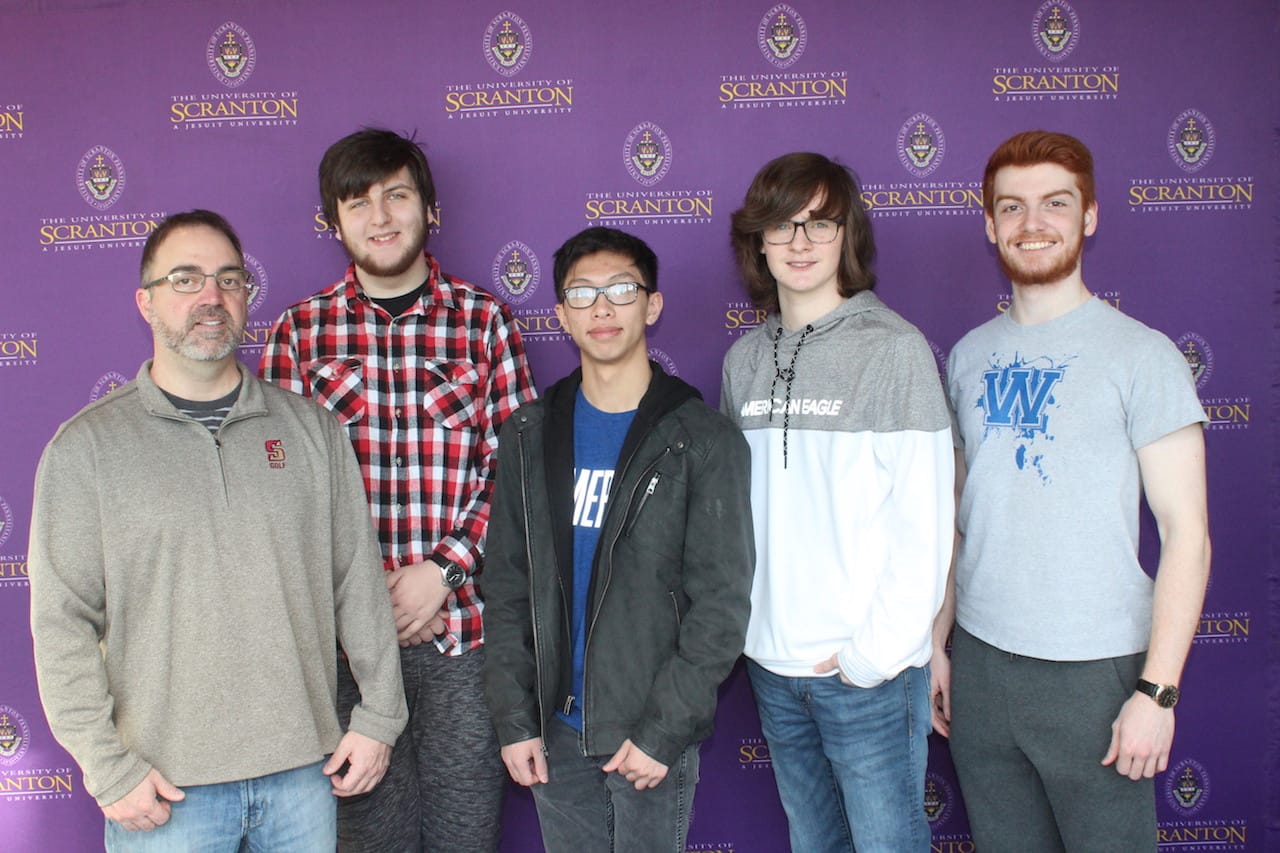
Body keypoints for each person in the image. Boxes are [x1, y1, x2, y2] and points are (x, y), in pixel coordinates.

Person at [28, 210, 407, 852]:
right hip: (165, 793)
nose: (211, 296)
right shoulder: (86, 449)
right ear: (145, 302)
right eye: (186, 279)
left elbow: (358, 586)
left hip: (302, 780)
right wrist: (107, 765)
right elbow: (61, 622)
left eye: (229, 279)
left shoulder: (312, 432)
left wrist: (380, 716)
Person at [932, 130, 1211, 852]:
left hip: (1097, 675)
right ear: (989, 222)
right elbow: (960, 520)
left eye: (1055, 203)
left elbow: (1187, 534)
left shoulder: (1143, 356)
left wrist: (1156, 692)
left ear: (1089, 215)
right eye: (1012, 206)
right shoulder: (967, 356)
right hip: (984, 669)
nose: (1033, 223)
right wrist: (938, 643)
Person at [260, 128, 537, 852]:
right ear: (333, 221)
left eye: (397, 195)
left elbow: (517, 472)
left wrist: (441, 570)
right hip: (346, 653)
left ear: (429, 208)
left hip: (463, 641)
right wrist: (366, 593)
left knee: (463, 838)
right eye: (358, 203)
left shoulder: (485, 324)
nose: (380, 217)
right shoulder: (298, 332)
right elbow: (281, 491)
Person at [482, 226, 754, 853]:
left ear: (652, 305)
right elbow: (506, 587)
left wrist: (664, 730)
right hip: (553, 731)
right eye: (582, 294)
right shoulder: (528, 433)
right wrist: (515, 719)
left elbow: (721, 605)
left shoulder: (703, 440)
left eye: (622, 289)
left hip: (646, 735)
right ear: (561, 316)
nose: (602, 308)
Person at [720, 152, 954, 852]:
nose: (799, 242)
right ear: (757, 239)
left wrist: (871, 657)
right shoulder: (742, 361)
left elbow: (927, 524)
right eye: (783, 224)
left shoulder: (895, 350)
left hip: (868, 675)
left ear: (847, 235)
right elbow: (737, 517)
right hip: (773, 666)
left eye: (819, 223)